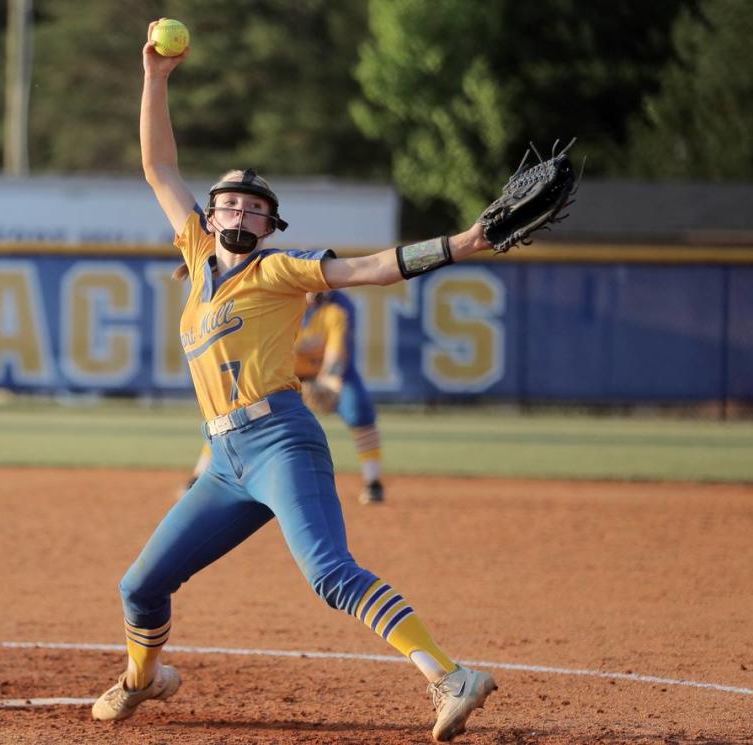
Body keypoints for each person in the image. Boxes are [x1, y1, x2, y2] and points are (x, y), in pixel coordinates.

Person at [91, 20, 499, 742]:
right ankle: (143, 677)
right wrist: (155, 78)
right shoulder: (193, 248)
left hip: (282, 440)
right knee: (139, 586)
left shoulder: (280, 270)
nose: (239, 211)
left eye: (255, 208)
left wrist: (458, 245)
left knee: (329, 572)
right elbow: (158, 166)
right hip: (222, 462)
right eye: (228, 203)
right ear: (209, 217)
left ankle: (450, 676)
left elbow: (367, 269)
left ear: (270, 225)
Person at [181, 289, 386, 504]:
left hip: (326, 376)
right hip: (286, 373)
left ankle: (373, 481)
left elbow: (335, 358)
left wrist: (327, 384)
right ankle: (200, 474)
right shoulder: (281, 302)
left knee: (358, 409)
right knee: (234, 412)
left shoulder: (336, 309)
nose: (317, 288)